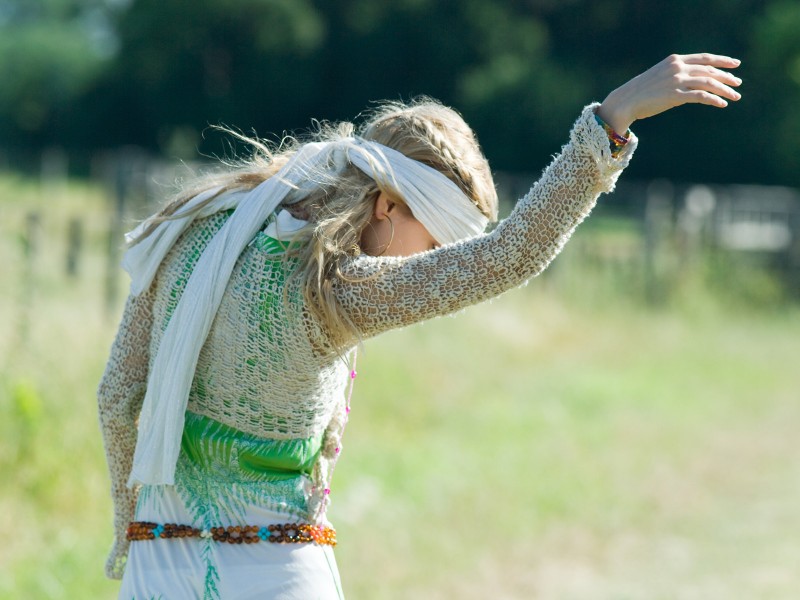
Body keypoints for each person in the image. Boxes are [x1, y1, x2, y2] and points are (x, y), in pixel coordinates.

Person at [98, 53, 741, 599]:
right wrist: (609, 121)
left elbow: (116, 398)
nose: (431, 265)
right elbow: (507, 256)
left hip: (156, 571)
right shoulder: (334, 288)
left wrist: (137, 527)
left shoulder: (189, 232)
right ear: (385, 204)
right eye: (432, 241)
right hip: (274, 571)